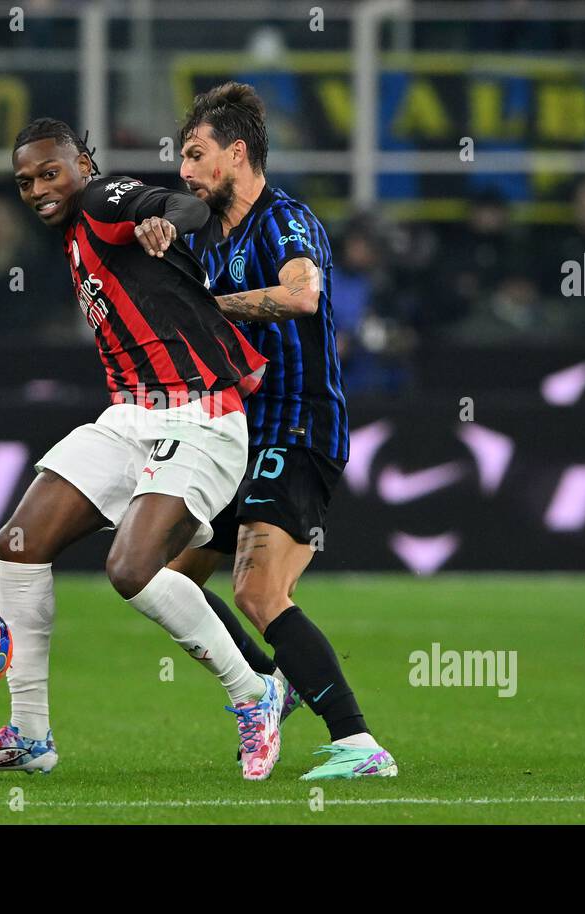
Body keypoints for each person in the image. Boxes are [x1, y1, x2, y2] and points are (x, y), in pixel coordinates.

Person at [0, 118, 287, 779]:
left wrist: (168, 220)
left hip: (203, 416)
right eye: (25, 182)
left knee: (130, 569)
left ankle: (256, 693)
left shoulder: (103, 201)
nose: (39, 188)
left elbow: (181, 204)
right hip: (131, 417)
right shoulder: (75, 235)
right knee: (19, 542)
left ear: (85, 163)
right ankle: (29, 736)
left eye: (51, 172)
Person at [168, 82, 397, 780]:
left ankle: (359, 744)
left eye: (195, 154)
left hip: (298, 425)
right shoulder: (210, 241)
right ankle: (272, 682)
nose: (183, 170)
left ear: (236, 154)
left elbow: (302, 295)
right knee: (169, 578)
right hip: (240, 434)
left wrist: (211, 309)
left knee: (257, 591)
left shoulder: (286, 220)